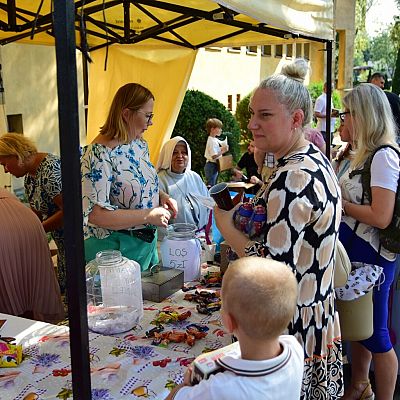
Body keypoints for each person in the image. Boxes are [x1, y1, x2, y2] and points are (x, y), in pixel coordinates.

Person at [214, 59, 343, 399]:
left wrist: (227, 227)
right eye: (252, 114)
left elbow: (271, 272)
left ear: (297, 119)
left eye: (265, 115)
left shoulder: (294, 177)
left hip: (291, 327)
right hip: (313, 315)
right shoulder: (311, 158)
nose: (253, 124)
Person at [165, 257, 304, 400]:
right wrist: (203, 359)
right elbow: (237, 348)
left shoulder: (219, 388)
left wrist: (185, 385)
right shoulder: (294, 347)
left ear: (228, 322)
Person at [338, 83, 399, 400]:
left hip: (374, 259)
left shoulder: (384, 157)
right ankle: (360, 386)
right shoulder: (358, 154)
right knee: (360, 329)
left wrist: (340, 206)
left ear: (362, 115)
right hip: (358, 255)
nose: (341, 119)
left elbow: (381, 216)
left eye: (345, 113)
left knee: (377, 335)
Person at [81, 83, 178, 271]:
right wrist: (148, 215)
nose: (151, 123)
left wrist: (162, 197)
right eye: (148, 116)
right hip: (113, 254)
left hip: (144, 247)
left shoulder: (138, 144)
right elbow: (96, 215)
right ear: (126, 114)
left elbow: (139, 184)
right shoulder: (98, 154)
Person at [0, 133, 66, 294]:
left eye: (5, 164)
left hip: (77, 242)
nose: (5, 170)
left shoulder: (50, 169)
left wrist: (36, 230)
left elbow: (69, 212)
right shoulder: (30, 177)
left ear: (16, 155)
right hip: (62, 244)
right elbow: (34, 216)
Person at [0, 188, 64, 323]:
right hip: (25, 217)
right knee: (27, 284)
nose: (5, 169)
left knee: (11, 291)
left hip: (8, 224)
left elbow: (67, 208)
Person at [156, 136, 210, 230]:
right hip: (175, 239)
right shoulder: (159, 180)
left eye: (184, 152)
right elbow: (158, 219)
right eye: (175, 153)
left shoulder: (194, 177)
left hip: (201, 235)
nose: (180, 156)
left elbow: (208, 203)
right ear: (167, 155)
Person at [204, 118, 229, 187]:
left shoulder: (213, 139)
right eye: (219, 128)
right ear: (212, 129)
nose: (221, 130)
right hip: (211, 165)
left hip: (213, 165)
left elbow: (214, 150)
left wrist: (221, 149)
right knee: (211, 185)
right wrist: (223, 151)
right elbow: (214, 156)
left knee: (213, 183)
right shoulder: (212, 141)